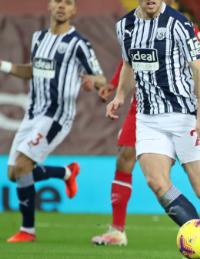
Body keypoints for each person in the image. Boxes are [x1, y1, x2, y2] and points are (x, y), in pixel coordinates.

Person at [105, 0, 200, 257]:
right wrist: (119, 96)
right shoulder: (124, 26)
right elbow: (129, 64)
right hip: (148, 119)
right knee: (157, 183)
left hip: (183, 116)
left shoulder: (179, 24)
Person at [1, 0, 106, 243]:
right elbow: (32, 70)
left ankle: (27, 230)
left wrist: (100, 85)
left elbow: (97, 74)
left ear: (73, 11)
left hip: (56, 116)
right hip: (32, 113)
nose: (62, 6)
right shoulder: (39, 38)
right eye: (58, 1)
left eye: (68, 3)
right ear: (49, 6)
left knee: (23, 166)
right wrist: (3, 65)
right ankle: (66, 172)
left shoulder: (78, 43)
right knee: (13, 174)